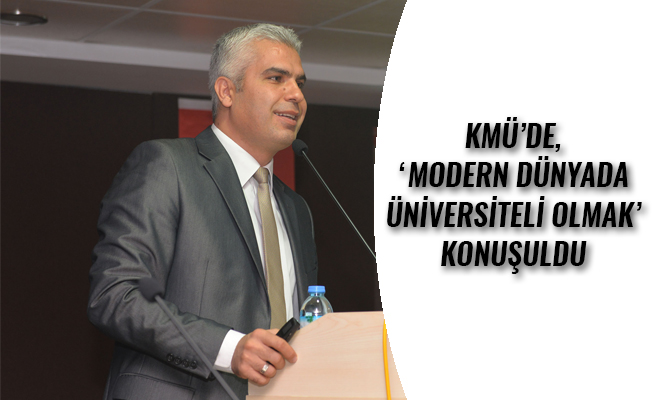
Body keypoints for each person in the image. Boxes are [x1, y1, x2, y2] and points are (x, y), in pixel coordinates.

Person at [88, 23, 318, 400]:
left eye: (300, 83)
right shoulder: (168, 166)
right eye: (277, 78)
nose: (296, 94)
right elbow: (116, 295)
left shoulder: (296, 208)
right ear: (226, 91)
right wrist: (229, 349)